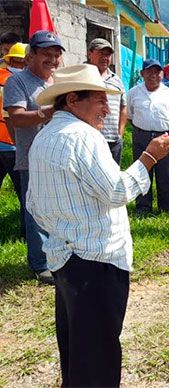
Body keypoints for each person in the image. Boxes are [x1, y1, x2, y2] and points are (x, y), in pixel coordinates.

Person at [26, 64, 169, 387]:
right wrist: (149, 158)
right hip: (97, 261)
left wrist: (65, 228)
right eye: (99, 100)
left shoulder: (45, 137)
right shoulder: (83, 137)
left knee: (78, 349)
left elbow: (33, 205)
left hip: (65, 259)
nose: (107, 110)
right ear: (73, 100)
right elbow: (117, 191)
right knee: (98, 356)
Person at [3, 30, 64, 284]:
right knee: (35, 212)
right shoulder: (17, 82)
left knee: (57, 209)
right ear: (31, 56)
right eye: (46, 54)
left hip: (59, 158)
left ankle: (56, 256)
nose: (52, 60)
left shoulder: (58, 82)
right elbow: (15, 118)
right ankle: (40, 264)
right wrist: (47, 112)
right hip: (32, 159)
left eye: (56, 55)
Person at [127, 59, 169, 213]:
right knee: (142, 171)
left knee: (165, 174)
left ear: (162, 74)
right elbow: (130, 115)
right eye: (149, 71)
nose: (154, 75)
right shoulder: (133, 92)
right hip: (141, 137)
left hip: (164, 137)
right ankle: (143, 206)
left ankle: (166, 207)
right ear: (142, 74)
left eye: (157, 72)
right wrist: (144, 130)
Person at [0, 42, 26, 237]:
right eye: (19, 63)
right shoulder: (21, 83)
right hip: (13, 145)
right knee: (26, 194)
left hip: (12, 145)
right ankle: (28, 233)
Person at [87, 38, 127, 165]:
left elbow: (123, 107)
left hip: (113, 140)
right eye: (101, 53)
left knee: (113, 178)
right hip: (88, 139)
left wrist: (120, 133)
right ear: (90, 54)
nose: (105, 57)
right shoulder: (82, 76)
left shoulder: (117, 80)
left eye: (108, 54)